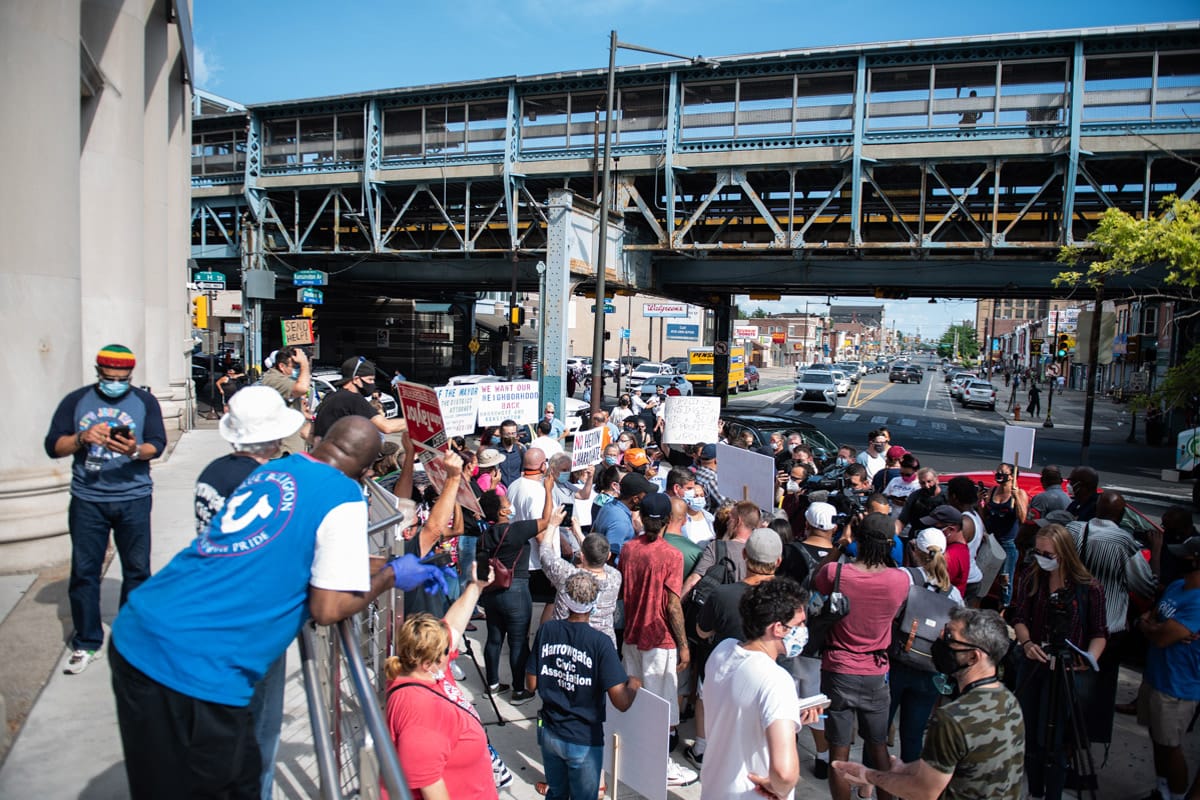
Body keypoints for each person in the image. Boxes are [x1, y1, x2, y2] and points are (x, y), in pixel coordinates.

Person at [109, 416, 453, 798]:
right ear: (367, 470)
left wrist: (388, 566)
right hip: (200, 666)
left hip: (140, 630)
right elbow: (328, 607)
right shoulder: (344, 495)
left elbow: (292, 549)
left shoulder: (275, 470)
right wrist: (390, 577)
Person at [196, 386, 306, 800]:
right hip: (255, 621)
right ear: (274, 438)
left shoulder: (212, 474)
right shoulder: (271, 483)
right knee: (261, 727)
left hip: (214, 610)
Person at [45, 344, 166, 675]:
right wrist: (83, 438)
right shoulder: (77, 401)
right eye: (109, 377)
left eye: (122, 378)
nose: (115, 383)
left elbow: (157, 443)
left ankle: (130, 639)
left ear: (130, 375)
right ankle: (86, 641)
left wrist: (133, 449)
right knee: (84, 572)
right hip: (88, 499)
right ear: (98, 373)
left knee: (137, 570)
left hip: (134, 497)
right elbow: (53, 446)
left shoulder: (144, 402)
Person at [833, 608, 1026, 800]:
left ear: (973, 657)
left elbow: (923, 792)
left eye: (950, 637)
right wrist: (904, 769)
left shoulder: (953, 718)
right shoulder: (1008, 700)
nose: (940, 641)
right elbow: (948, 761)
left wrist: (868, 775)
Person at [814, 512, 910, 800]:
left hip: (838, 670)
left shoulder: (836, 574)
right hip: (876, 673)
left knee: (838, 752)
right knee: (879, 747)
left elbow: (816, 576)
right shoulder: (900, 581)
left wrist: (840, 546)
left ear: (857, 538)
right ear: (890, 545)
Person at [384, 563, 500, 800]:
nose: (453, 646)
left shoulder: (427, 670)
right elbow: (430, 787)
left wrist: (475, 587)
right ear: (429, 661)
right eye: (448, 649)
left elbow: (453, 626)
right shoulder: (417, 711)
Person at [700, 578, 823, 800]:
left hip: (714, 788)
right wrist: (777, 787)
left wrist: (788, 717)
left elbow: (737, 713)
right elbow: (785, 774)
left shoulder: (722, 650)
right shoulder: (776, 680)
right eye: (800, 624)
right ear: (778, 628)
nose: (804, 631)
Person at [1011, 522, 1108, 800]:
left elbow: (1099, 633)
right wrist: (1027, 643)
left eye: (1048, 554)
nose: (1041, 558)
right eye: (1038, 552)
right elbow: (1019, 617)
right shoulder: (1033, 577)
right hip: (1034, 665)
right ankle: (1035, 791)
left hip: (1067, 672)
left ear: (1065, 553)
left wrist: (1088, 659)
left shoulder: (1089, 588)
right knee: (1030, 735)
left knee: (1053, 740)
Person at [526, 572, 641, 800]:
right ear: (594, 602)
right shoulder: (600, 644)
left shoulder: (547, 630)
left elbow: (530, 684)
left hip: (549, 731)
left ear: (565, 600)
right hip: (584, 740)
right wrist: (634, 685)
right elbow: (621, 701)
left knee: (556, 792)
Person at [617, 491, 698, 787]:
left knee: (635, 702)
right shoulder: (671, 555)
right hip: (659, 639)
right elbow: (672, 604)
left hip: (632, 636)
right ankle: (660, 767)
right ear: (665, 521)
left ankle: (635, 756)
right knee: (661, 708)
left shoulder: (627, 549)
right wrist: (684, 644)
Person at [688, 528, 783, 770]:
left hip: (723, 669)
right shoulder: (788, 598)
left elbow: (702, 631)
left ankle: (701, 748)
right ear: (778, 561)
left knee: (705, 701)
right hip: (768, 674)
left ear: (744, 554)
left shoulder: (722, 594)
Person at [887, 528, 964, 764]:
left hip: (897, 663)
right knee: (913, 738)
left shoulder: (904, 576)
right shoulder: (953, 594)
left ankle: (870, 789)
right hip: (931, 670)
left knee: (878, 732)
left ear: (914, 550)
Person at [475, 484, 555, 702]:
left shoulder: (483, 538)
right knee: (518, 642)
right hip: (517, 591)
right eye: (506, 503)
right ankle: (519, 690)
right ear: (502, 512)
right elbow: (546, 520)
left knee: (494, 639)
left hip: (492, 594)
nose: (510, 505)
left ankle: (492, 684)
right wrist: (548, 490)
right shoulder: (516, 530)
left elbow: (482, 571)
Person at [1134, 534, 1200, 800]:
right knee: (1158, 742)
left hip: (1178, 687)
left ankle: (1176, 794)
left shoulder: (1197, 601)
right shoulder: (1176, 587)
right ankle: (1162, 790)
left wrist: (1153, 627)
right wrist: (1153, 626)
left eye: (1184, 553)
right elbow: (1147, 619)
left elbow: (1160, 635)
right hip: (1155, 677)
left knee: (1171, 747)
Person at [311, 356, 408, 442]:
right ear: (356, 379)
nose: (373, 384)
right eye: (370, 379)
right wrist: (414, 423)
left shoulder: (330, 396)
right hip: (340, 460)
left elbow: (307, 432)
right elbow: (386, 427)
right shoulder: (352, 399)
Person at [984, 462, 1028, 606]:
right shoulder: (993, 490)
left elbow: (1022, 518)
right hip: (991, 541)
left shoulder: (1019, 494)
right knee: (985, 575)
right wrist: (980, 504)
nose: (998, 475)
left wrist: (1016, 498)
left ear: (1011, 476)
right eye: (997, 472)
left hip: (1007, 543)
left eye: (1002, 473)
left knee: (1005, 580)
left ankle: (1003, 609)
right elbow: (985, 516)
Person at [258, 345, 312, 455]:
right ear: (282, 366)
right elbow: (302, 388)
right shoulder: (273, 379)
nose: (298, 369)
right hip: (283, 451)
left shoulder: (287, 380)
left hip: (292, 449)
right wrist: (304, 365)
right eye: (296, 366)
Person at [593, 472, 657, 560]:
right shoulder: (621, 521)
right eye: (644, 496)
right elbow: (609, 558)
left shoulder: (609, 505)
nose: (646, 500)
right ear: (635, 499)